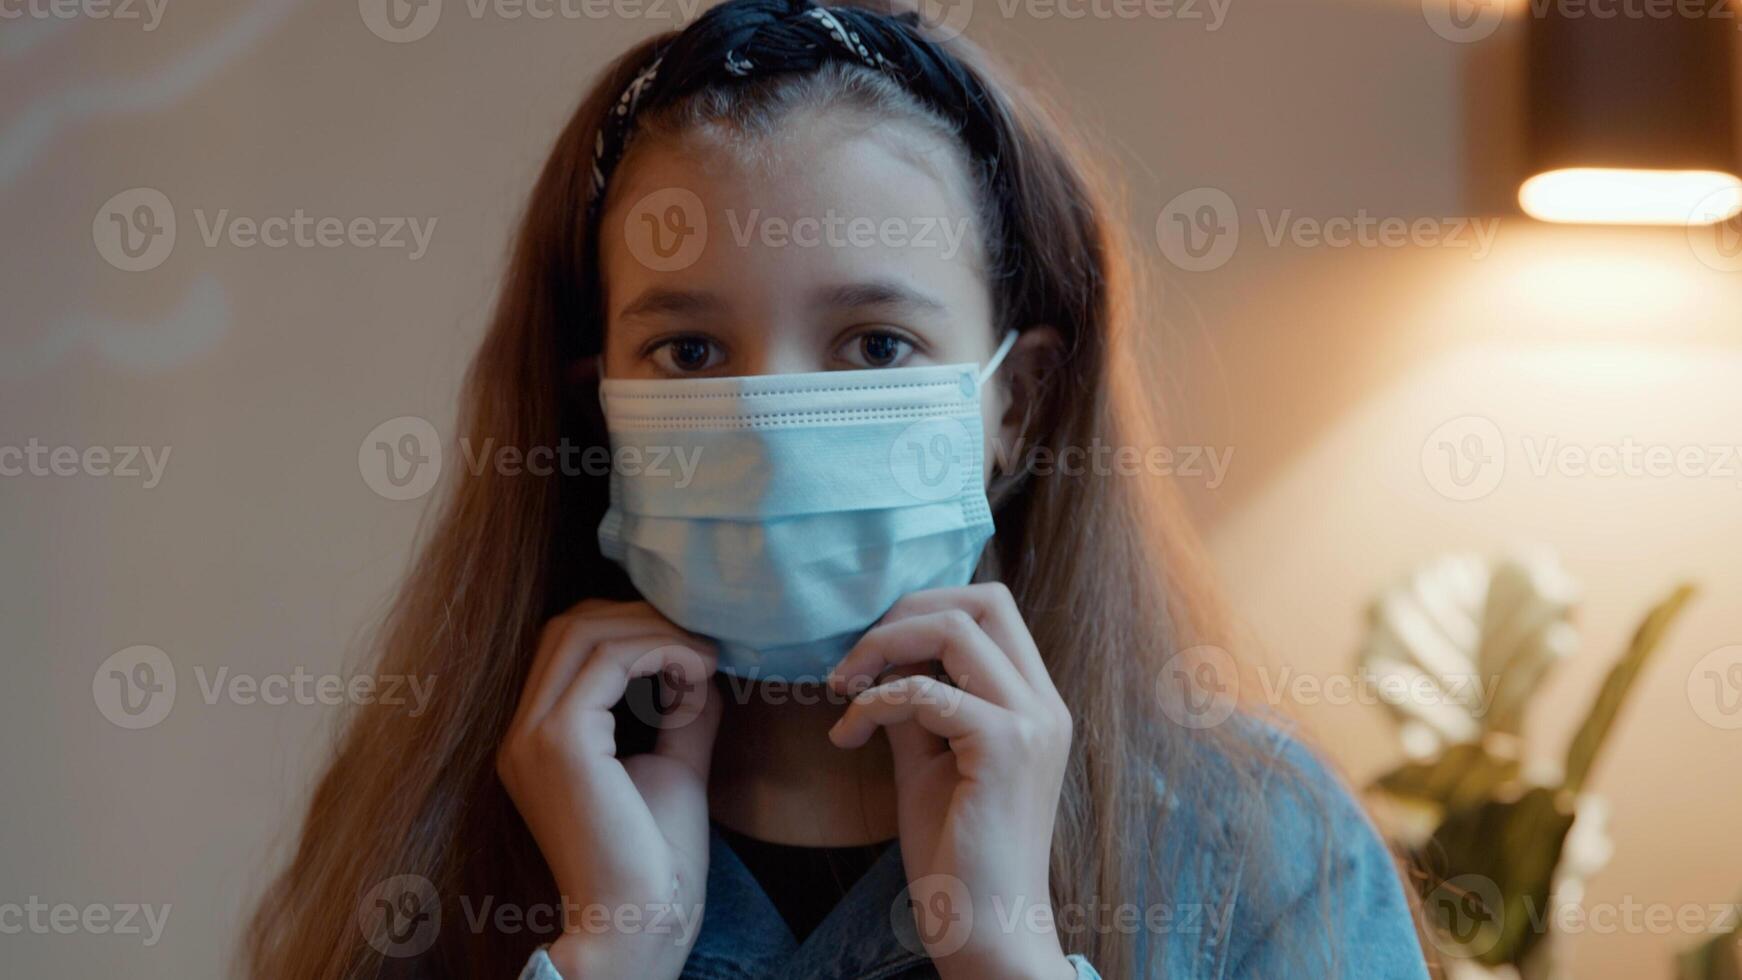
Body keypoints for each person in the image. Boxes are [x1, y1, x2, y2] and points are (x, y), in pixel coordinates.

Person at [246, 1, 1430, 976]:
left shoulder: (1259, 858)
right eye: (690, 352)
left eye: (873, 343)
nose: (770, 429)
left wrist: (1005, 953)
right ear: (597, 400)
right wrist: (607, 952)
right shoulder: (433, 834)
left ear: (1012, 403)